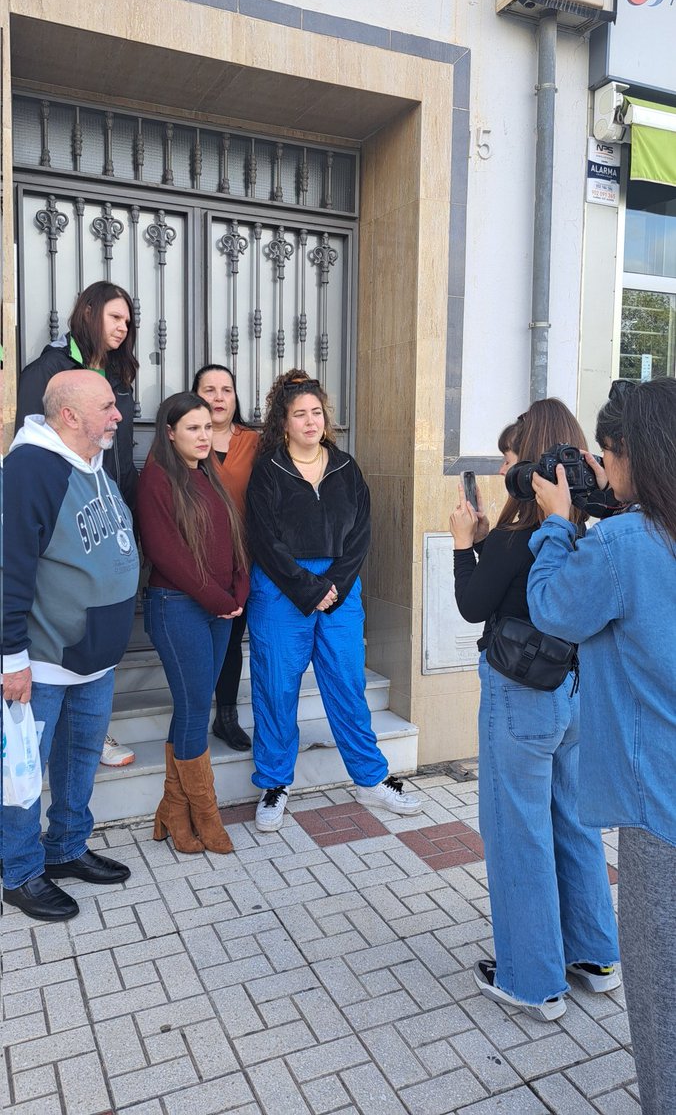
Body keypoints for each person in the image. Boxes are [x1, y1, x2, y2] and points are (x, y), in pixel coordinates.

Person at [527, 378, 676, 1113]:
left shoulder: (622, 544)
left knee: (662, 1010)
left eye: (608, 458)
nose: (604, 475)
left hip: (663, 816)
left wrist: (559, 521)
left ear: (631, 456)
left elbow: (553, 607)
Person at [450, 398, 619, 1022]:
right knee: (572, 822)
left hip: (518, 700)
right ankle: (595, 956)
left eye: (511, 456)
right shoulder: (594, 529)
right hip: (574, 696)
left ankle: (533, 979)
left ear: (537, 462)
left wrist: (464, 544)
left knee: (516, 831)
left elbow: (473, 603)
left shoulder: (523, 534)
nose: (503, 470)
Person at [246, 370, 423, 833]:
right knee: (277, 689)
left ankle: (370, 778)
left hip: (341, 589)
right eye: (299, 414)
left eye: (316, 413)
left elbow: (361, 535)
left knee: (347, 683)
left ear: (327, 418)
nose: (310, 421)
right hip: (282, 589)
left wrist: (337, 585)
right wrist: (307, 587)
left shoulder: (347, 468)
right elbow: (263, 539)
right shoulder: (269, 471)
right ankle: (274, 784)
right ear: (282, 423)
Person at [1, 372, 139, 922]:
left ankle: (66, 848)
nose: (118, 416)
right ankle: (20, 871)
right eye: (107, 406)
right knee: (24, 773)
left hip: (93, 657)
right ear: (69, 415)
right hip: (42, 660)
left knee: (81, 758)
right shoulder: (31, 468)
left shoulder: (93, 461)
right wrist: (10, 658)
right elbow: (10, 570)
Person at [15, 280, 140, 770]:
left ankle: (95, 733)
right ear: (89, 314)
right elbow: (32, 459)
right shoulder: (48, 372)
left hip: (108, 514)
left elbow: (122, 456)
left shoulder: (118, 375)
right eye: (115, 317)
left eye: (128, 321)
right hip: (64, 538)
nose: (122, 328)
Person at [136, 392, 249, 855]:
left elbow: (233, 536)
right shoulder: (157, 480)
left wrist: (238, 592)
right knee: (194, 709)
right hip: (178, 606)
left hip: (220, 608)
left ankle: (172, 810)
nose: (204, 436)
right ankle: (205, 814)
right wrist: (217, 599)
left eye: (208, 427)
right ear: (169, 432)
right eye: (193, 429)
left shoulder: (207, 475)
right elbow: (167, 555)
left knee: (191, 705)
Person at [192, 365, 259, 751]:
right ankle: (192, 714)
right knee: (196, 643)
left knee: (231, 641)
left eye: (226, 390)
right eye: (209, 389)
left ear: (236, 398)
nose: (218, 398)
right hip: (192, 566)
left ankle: (227, 716)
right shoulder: (179, 440)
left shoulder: (255, 443)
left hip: (241, 565)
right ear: (195, 395)